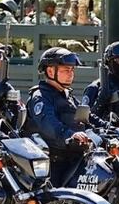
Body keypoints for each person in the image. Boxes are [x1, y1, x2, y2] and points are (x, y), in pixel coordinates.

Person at [23, 47, 93, 186]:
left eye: (72, 70)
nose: (70, 74)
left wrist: (110, 128)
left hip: (73, 157)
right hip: (52, 163)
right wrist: (70, 135)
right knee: (53, 200)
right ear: (50, 71)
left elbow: (87, 116)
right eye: (66, 70)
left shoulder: (67, 95)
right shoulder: (40, 96)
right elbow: (48, 123)